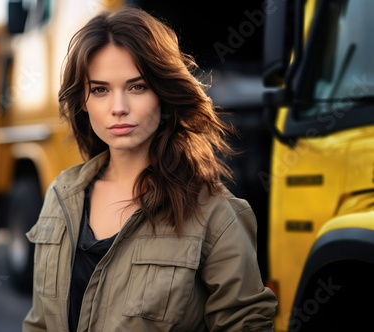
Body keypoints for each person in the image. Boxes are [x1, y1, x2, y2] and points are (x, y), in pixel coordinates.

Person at [23, 7, 277, 332]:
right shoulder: (61, 196)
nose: (118, 108)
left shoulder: (216, 215)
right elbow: (40, 322)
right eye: (100, 89)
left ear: (164, 94)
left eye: (137, 87)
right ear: (83, 101)